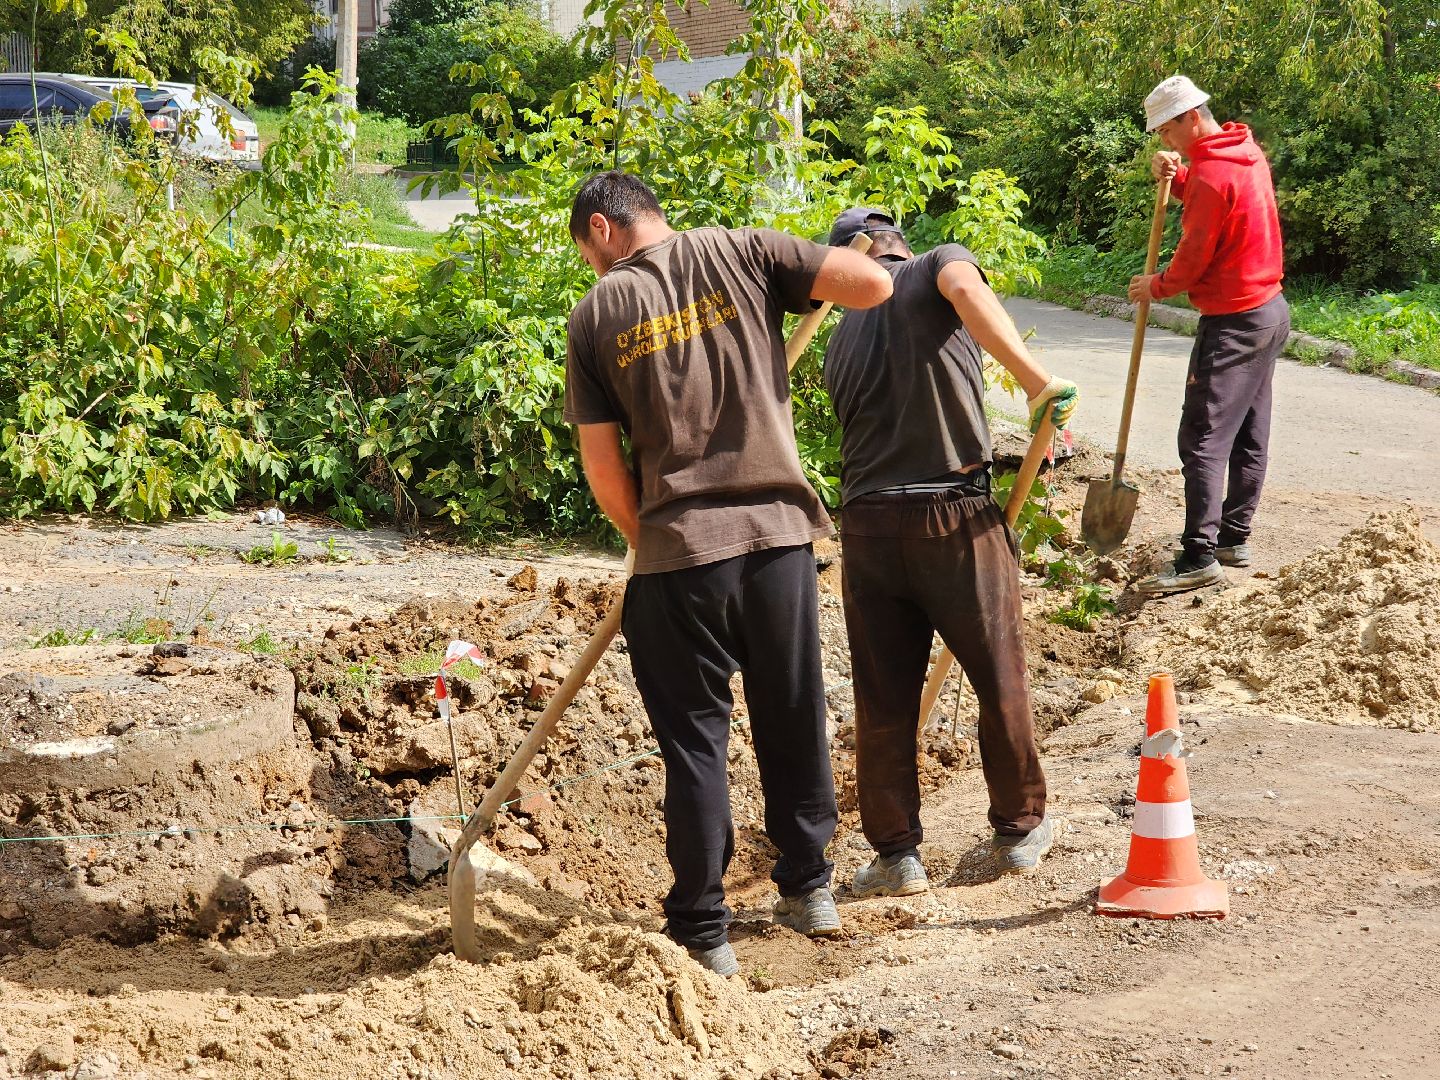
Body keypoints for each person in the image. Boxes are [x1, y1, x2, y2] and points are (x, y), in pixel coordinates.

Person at [563, 171, 894, 977]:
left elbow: (603, 467)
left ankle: (704, 931)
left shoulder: (595, 314)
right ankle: (808, 886)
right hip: (779, 541)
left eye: (585, 252)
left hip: (679, 559)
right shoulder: (743, 250)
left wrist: (653, 540)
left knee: (695, 744)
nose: (589, 267)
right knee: (791, 711)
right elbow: (873, 284)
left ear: (604, 229)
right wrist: (810, 268)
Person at [820, 207, 1078, 896]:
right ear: (896, 243)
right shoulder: (936, 266)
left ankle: (896, 855)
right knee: (999, 675)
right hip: (952, 514)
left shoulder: (837, 339)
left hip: (869, 527)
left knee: (883, 698)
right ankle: (1020, 829)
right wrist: (1034, 382)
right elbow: (966, 288)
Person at [1127, 75, 1289, 594]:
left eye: (1167, 133)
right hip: (1269, 312)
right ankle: (1232, 537)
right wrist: (1175, 179)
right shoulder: (1243, 150)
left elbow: (1194, 259)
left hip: (1234, 322)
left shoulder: (1213, 174)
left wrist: (1154, 285)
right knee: (1247, 431)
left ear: (1189, 118)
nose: (1164, 142)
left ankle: (1198, 556)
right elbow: (1212, 200)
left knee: (1202, 437)